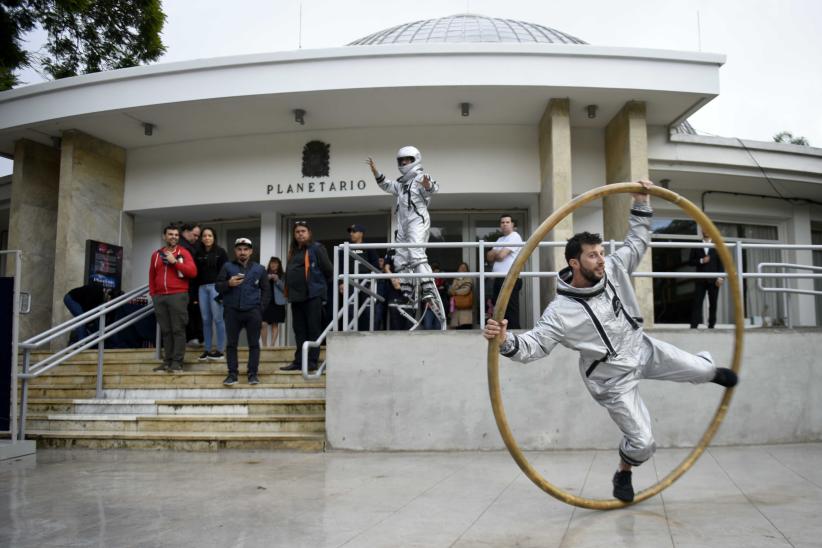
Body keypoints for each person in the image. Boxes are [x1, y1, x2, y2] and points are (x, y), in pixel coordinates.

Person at [483, 180, 739, 503]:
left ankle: (710, 371)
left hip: (642, 349)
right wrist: (506, 342)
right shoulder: (560, 312)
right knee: (644, 442)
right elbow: (534, 345)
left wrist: (641, 203)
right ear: (574, 263)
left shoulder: (614, 268)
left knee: (703, 372)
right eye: (592, 256)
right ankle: (624, 471)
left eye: (601, 253)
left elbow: (637, 241)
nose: (601, 260)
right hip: (611, 380)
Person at [367, 146, 441, 319]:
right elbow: (386, 185)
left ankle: (427, 286)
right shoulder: (400, 184)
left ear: (415, 159)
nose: (403, 163)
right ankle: (408, 290)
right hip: (403, 223)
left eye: (406, 160)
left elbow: (433, 188)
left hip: (417, 220)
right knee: (400, 256)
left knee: (415, 252)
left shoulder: (421, 177)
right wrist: (375, 172)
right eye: (400, 161)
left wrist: (427, 184)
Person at [215, 238, 270, 386]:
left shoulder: (260, 269)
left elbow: (266, 290)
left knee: (254, 344)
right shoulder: (227, 267)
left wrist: (260, 308)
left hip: (253, 311)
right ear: (235, 251)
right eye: (239, 249)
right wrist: (228, 283)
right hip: (232, 311)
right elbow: (218, 287)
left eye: (246, 249)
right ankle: (232, 374)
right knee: (231, 344)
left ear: (251, 251)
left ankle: (252, 374)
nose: (242, 252)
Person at [281, 221, 333, 372]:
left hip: (312, 296)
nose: (300, 234)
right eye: (297, 231)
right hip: (296, 298)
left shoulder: (316, 248)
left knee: (313, 330)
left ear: (309, 233)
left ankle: (312, 362)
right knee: (299, 330)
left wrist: (322, 291)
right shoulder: (293, 251)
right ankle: (299, 362)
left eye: (303, 231)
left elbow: (328, 270)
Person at [149, 224, 197, 372]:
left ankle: (177, 362)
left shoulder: (184, 252)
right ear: (164, 236)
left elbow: (193, 272)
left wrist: (175, 262)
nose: (174, 237)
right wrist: (153, 294)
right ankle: (167, 362)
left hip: (178, 295)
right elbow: (152, 275)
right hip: (160, 297)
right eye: (170, 234)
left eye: (176, 235)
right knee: (166, 331)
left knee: (178, 330)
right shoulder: (156, 255)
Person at [193, 227, 228, 360]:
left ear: (214, 238)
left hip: (216, 288)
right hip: (202, 289)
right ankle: (207, 350)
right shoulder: (198, 253)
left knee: (218, 319)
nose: (207, 238)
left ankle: (220, 350)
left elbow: (225, 273)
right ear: (201, 238)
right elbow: (195, 276)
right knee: (206, 320)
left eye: (210, 236)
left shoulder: (221, 252)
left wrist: (222, 291)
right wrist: (194, 296)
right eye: (205, 236)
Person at [338, 223, 379, 330]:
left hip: (366, 283)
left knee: (367, 310)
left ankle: (368, 333)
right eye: (350, 232)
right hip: (350, 282)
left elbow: (375, 266)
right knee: (350, 309)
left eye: (354, 231)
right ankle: (350, 333)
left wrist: (372, 282)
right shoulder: (345, 248)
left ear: (361, 233)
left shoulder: (368, 247)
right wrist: (341, 282)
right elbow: (341, 266)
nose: (351, 234)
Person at [486, 214, 524, 329]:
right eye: (502, 222)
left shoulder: (515, 236)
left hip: (510, 278)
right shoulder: (500, 239)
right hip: (499, 278)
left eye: (507, 222)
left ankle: (514, 333)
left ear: (513, 225)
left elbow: (501, 256)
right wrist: (496, 254)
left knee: (510, 308)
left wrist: (496, 253)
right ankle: (502, 333)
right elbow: (488, 257)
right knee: (499, 308)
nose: (504, 224)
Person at [689, 235, 724, 329]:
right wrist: (701, 260)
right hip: (700, 279)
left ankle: (712, 325)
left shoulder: (717, 245)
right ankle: (694, 325)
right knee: (697, 302)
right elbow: (690, 261)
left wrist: (721, 277)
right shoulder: (696, 245)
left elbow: (721, 262)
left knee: (713, 303)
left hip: (713, 279)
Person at [179, 223, 204, 346]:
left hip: (192, 285)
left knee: (194, 310)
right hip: (187, 285)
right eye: (195, 235)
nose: (196, 238)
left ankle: (195, 337)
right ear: (185, 231)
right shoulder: (182, 246)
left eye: (198, 236)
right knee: (190, 311)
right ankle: (192, 337)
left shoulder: (192, 246)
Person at [261, 257, 286, 347]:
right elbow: (259, 287)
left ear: (279, 265)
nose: (273, 265)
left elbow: (285, 290)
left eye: (275, 263)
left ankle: (272, 345)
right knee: (263, 323)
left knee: (275, 324)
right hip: (266, 302)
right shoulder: (264, 274)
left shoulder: (283, 275)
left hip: (277, 303)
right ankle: (264, 346)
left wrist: (277, 280)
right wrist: (265, 280)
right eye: (272, 263)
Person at [449, 262, 474, 329]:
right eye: (461, 267)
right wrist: (456, 287)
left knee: (465, 327)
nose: (462, 269)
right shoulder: (455, 279)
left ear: (467, 270)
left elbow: (466, 290)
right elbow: (451, 290)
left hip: (465, 307)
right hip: (456, 308)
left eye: (464, 268)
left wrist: (455, 291)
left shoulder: (468, 278)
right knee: (457, 328)